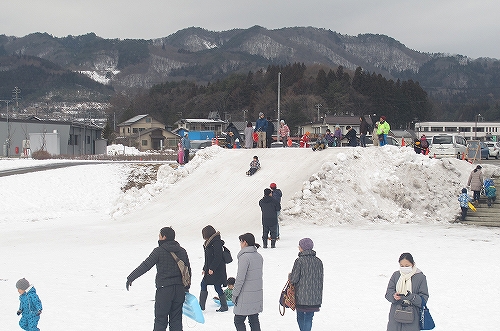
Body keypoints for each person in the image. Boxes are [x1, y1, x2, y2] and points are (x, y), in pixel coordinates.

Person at [126, 227, 191, 331]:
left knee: (160, 320)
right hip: (179, 290)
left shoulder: (159, 251)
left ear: (164, 237)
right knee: (176, 321)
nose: (159, 237)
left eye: (159, 235)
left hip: (164, 290)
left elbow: (146, 265)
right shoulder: (182, 251)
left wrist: (131, 277)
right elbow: (188, 270)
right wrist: (186, 287)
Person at [385, 253, 429, 331]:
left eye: (407, 265)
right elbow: (388, 293)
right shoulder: (396, 275)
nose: (404, 268)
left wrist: (411, 297)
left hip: (412, 317)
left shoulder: (420, 277)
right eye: (402, 266)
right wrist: (393, 296)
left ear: (413, 264)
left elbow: (423, 299)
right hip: (395, 316)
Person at [289, 238, 323, 331]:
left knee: (300, 316)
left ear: (302, 248)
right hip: (315, 296)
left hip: (301, 295)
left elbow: (294, 279)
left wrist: (290, 276)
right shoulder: (318, 261)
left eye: (299, 246)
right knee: (309, 317)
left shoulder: (299, 261)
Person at [232, 233, 263, 331]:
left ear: (245, 242)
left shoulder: (244, 257)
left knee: (238, 320)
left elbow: (240, 278)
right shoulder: (258, 256)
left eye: (241, 242)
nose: (240, 244)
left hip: (245, 295)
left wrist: (235, 294)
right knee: (253, 319)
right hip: (256, 293)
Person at [199, 225, 229, 312]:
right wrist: (205, 268)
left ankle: (223, 306)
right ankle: (202, 306)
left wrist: (212, 268)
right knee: (207, 284)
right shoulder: (209, 243)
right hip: (211, 269)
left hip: (217, 270)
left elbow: (218, 257)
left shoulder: (216, 242)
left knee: (215, 286)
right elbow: (207, 258)